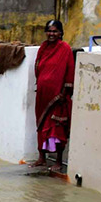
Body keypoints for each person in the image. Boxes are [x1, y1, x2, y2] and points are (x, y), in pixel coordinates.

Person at [34, 18, 75, 170]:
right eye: (49, 31)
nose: (51, 34)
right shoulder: (43, 47)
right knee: (41, 126)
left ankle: (58, 161)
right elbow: (38, 67)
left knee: (57, 128)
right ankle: (41, 158)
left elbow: (69, 71)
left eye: (55, 31)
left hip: (58, 96)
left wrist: (64, 93)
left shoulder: (65, 49)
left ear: (60, 33)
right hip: (43, 96)